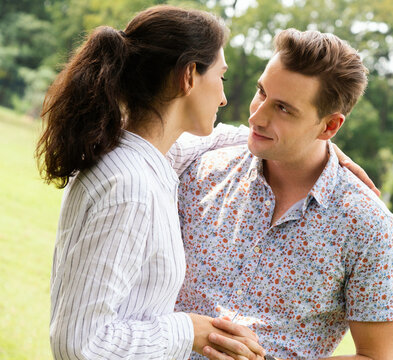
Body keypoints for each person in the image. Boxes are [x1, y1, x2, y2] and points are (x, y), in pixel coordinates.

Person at [36, 5, 265, 360]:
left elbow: (213, 139)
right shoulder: (130, 188)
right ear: (189, 75)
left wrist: (318, 145)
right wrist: (188, 330)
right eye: (221, 77)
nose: (222, 96)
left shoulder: (135, 154)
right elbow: (80, 343)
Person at [175, 29, 393, 360]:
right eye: (261, 92)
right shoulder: (200, 170)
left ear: (329, 127)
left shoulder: (367, 228)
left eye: (283, 108)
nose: (257, 116)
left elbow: (380, 356)